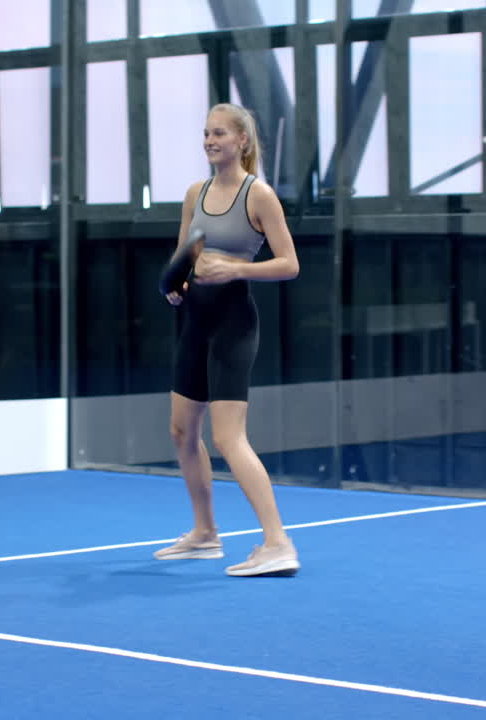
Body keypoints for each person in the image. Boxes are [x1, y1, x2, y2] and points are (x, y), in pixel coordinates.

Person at [154, 103, 301, 577]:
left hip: (234, 320)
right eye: (205, 134)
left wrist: (235, 267)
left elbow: (290, 264)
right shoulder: (194, 193)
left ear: (242, 141)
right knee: (181, 431)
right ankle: (205, 534)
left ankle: (278, 543)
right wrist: (176, 288)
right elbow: (184, 256)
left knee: (227, 436)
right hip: (194, 319)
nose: (210, 141)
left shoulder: (258, 196)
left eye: (219, 133)